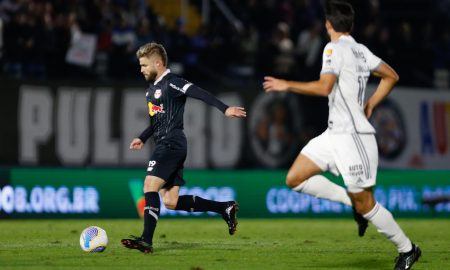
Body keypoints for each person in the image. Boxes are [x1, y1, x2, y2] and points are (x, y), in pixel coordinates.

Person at [263, 1, 421, 269]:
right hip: (333, 134)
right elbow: (391, 76)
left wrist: (286, 84)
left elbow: (325, 87)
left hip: (354, 138)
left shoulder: (333, 47)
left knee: (366, 204)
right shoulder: (361, 50)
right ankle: (350, 201)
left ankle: (408, 249)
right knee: (295, 178)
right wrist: (371, 103)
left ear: (328, 25)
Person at [121, 42, 246, 254]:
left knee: (149, 185)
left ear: (158, 63)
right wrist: (142, 137)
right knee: (170, 201)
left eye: (144, 65)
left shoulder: (172, 82)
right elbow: (156, 122)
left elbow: (198, 92)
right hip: (167, 143)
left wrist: (224, 109)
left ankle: (146, 240)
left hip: (171, 143)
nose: (140, 69)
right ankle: (223, 208)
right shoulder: (152, 90)